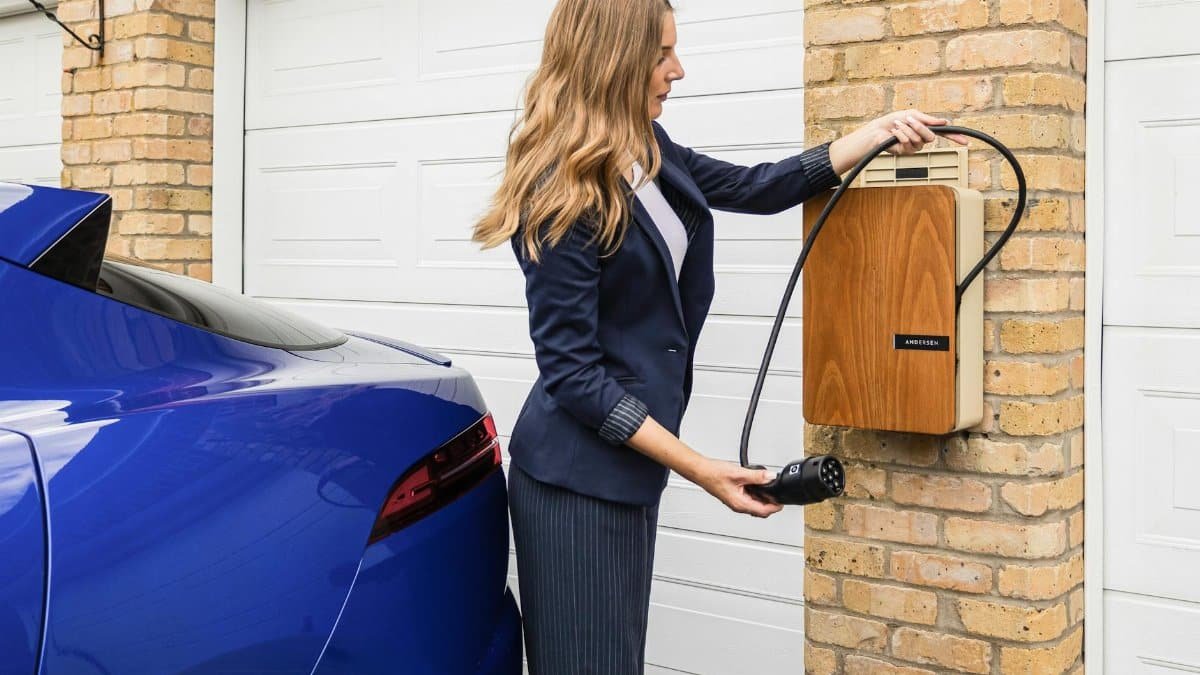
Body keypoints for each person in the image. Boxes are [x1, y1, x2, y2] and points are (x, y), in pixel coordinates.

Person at [472, 0, 967, 671]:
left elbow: (758, 187)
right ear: (612, 60)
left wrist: (876, 133)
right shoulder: (563, 189)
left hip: (623, 470)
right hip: (573, 482)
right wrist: (701, 467)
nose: (678, 70)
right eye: (661, 55)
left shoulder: (645, 150)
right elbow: (573, 373)